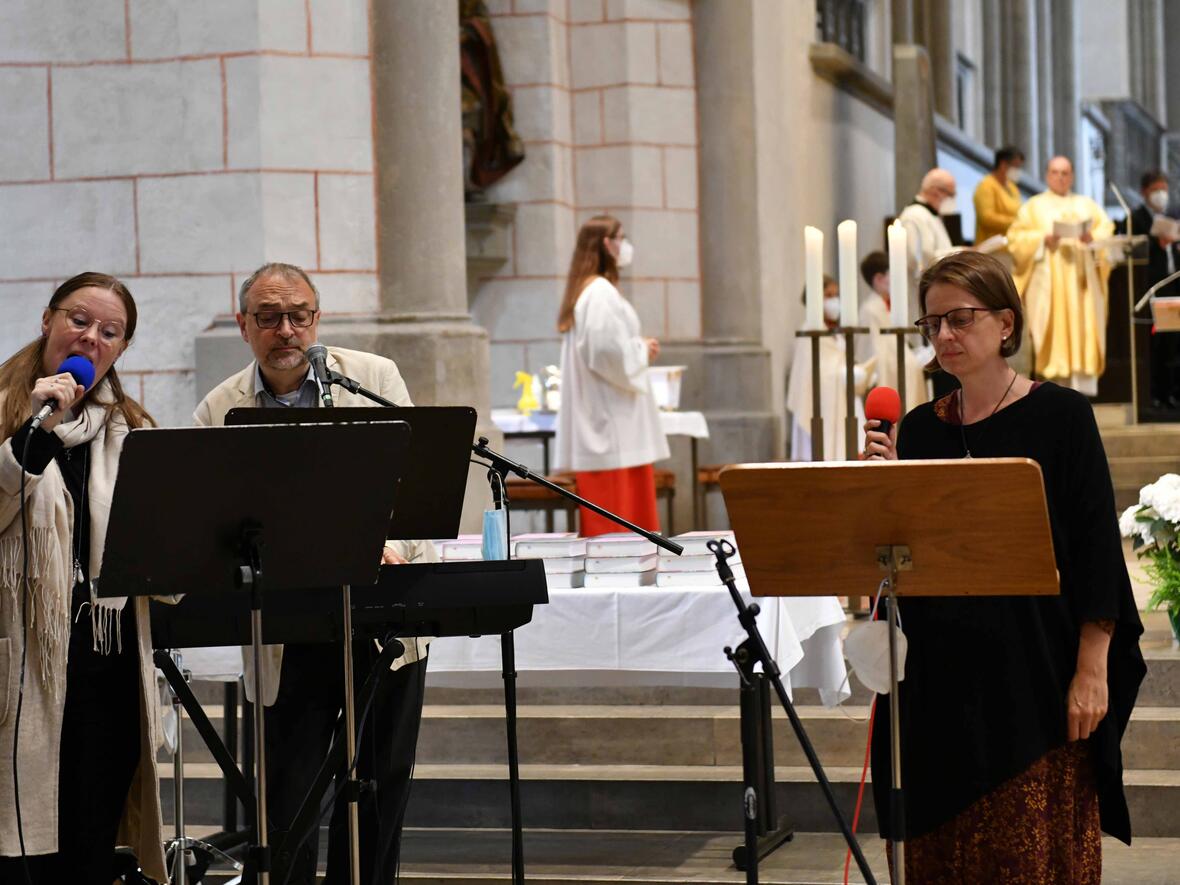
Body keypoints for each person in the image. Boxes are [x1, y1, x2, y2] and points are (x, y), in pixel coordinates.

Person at [862, 251, 1145, 884]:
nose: (944, 337)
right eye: (931, 324)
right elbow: (899, 564)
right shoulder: (916, 431)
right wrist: (878, 497)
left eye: (960, 319)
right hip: (936, 684)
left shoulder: (1063, 418)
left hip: (1033, 674)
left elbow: (1099, 549)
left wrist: (1092, 666)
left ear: (1007, 324)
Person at [193, 262, 435, 884]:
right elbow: (205, 525)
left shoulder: (374, 379)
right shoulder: (220, 408)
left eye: (299, 315)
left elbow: (414, 490)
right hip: (285, 624)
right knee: (290, 793)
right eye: (269, 318)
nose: (286, 330)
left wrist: (396, 548)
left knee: (380, 781)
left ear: (317, 320)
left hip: (379, 615)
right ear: (244, 326)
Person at [0, 273, 167, 883]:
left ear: (121, 349)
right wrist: (35, 432)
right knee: (22, 847)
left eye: (110, 331)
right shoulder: (7, 410)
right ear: (48, 321)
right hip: (27, 667)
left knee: (89, 846)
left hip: (108, 663)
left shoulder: (129, 430)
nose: (90, 337)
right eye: (79, 319)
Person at [554, 215, 669, 535]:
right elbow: (605, 351)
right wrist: (640, 351)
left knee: (628, 526)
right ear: (606, 243)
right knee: (617, 530)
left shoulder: (591, 290)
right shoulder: (599, 292)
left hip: (615, 426)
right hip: (612, 428)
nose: (625, 245)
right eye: (621, 237)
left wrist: (634, 348)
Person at [1007, 156, 1115, 395]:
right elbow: (1015, 240)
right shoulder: (1033, 206)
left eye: (1065, 172)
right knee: (1053, 327)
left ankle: (1084, 388)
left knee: (1083, 326)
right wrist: (1042, 239)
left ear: (1072, 176)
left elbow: (1106, 230)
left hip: (1081, 282)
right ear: (1047, 175)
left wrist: (1093, 238)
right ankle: (1054, 386)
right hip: (1050, 283)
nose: (1060, 177)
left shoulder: (1087, 205)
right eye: (1055, 172)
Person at [786, 275, 872, 460]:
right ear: (816, 300)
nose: (835, 300)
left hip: (844, 400)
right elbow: (814, 375)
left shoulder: (835, 333)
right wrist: (844, 374)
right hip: (822, 405)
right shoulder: (809, 331)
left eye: (837, 295)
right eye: (828, 295)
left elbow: (838, 361)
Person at [1123, 169, 1180, 410]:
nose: (1161, 195)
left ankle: (1172, 393)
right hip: (1149, 289)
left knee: (1173, 344)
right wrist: (1156, 242)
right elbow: (1132, 249)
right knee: (1153, 346)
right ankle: (1153, 395)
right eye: (1156, 190)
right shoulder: (1134, 218)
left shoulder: (1171, 216)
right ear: (1145, 191)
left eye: (1164, 190)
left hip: (1173, 285)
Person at [856, 250, 930, 412]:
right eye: (893, 275)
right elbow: (870, 354)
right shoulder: (870, 310)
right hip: (890, 378)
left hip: (903, 373)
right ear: (879, 279)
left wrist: (913, 358)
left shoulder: (888, 306)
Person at [897, 168, 957, 325]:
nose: (953, 200)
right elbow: (919, 259)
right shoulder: (913, 216)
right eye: (951, 194)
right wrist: (960, 253)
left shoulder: (930, 215)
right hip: (920, 294)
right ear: (936, 191)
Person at [973, 145, 1025, 245]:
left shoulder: (1012, 187)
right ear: (1003, 164)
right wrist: (1015, 222)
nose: (1018, 171)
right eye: (1016, 166)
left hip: (1009, 245)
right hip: (991, 248)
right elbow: (986, 218)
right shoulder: (986, 186)